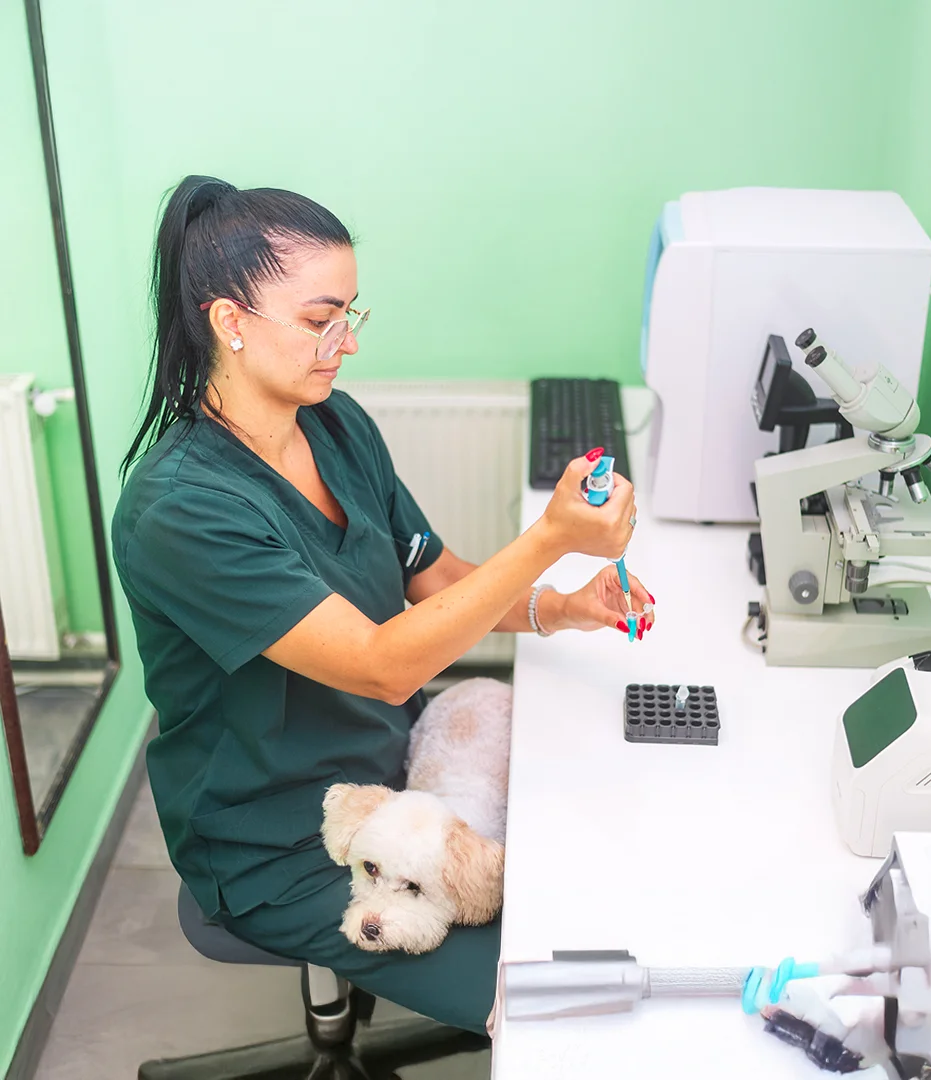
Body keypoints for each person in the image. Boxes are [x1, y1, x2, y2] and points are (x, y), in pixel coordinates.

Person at [110, 175, 655, 1035]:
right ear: (230, 322)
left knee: (595, 874)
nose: (344, 344)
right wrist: (549, 538)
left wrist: (560, 604)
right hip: (283, 840)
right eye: (321, 318)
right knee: (571, 1008)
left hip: (398, 757)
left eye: (350, 316)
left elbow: (432, 577)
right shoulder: (183, 509)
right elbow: (383, 660)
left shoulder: (331, 422)